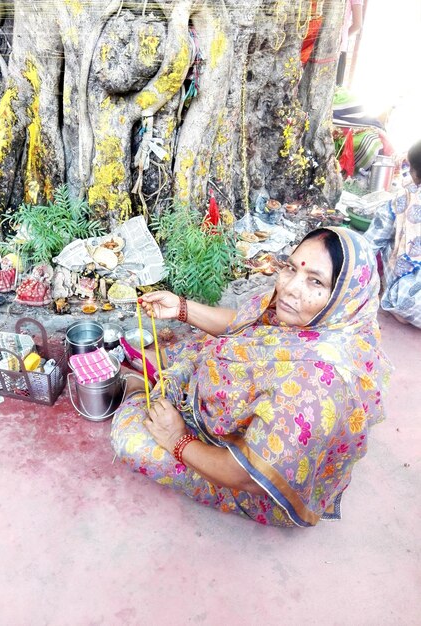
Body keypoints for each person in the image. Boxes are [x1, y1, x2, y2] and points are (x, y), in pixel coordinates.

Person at [111, 228, 392, 527]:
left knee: (130, 439)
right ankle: (167, 379)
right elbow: (242, 325)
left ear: (343, 295)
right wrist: (181, 308)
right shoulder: (329, 317)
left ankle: (138, 387)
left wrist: (177, 439)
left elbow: (245, 477)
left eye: (315, 281)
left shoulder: (318, 384)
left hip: (253, 481)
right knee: (214, 344)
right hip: (244, 411)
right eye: (291, 268)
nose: (290, 288)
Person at [365, 139, 421, 328]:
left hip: (406, 297)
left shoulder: (403, 198)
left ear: (414, 172)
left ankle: (397, 306)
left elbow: (370, 244)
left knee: (388, 241)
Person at [336, 0, 364, 87]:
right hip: (337, 47)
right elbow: (357, 24)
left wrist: (342, 37)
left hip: (334, 49)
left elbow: (357, 25)